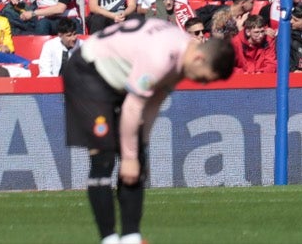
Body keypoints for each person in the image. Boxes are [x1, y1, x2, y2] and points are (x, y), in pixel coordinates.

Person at [62, 17, 235, 244]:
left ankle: (131, 238)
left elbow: (154, 101)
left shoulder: (182, 55)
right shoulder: (162, 57)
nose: (201, 83)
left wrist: (140, 148)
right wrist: (129, 158)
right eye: (204, 78)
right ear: (200, 58)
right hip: (88, 72)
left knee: (137, 159)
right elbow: (133, 106)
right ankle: (109, 239)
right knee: (103, 158)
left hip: (118, 80)